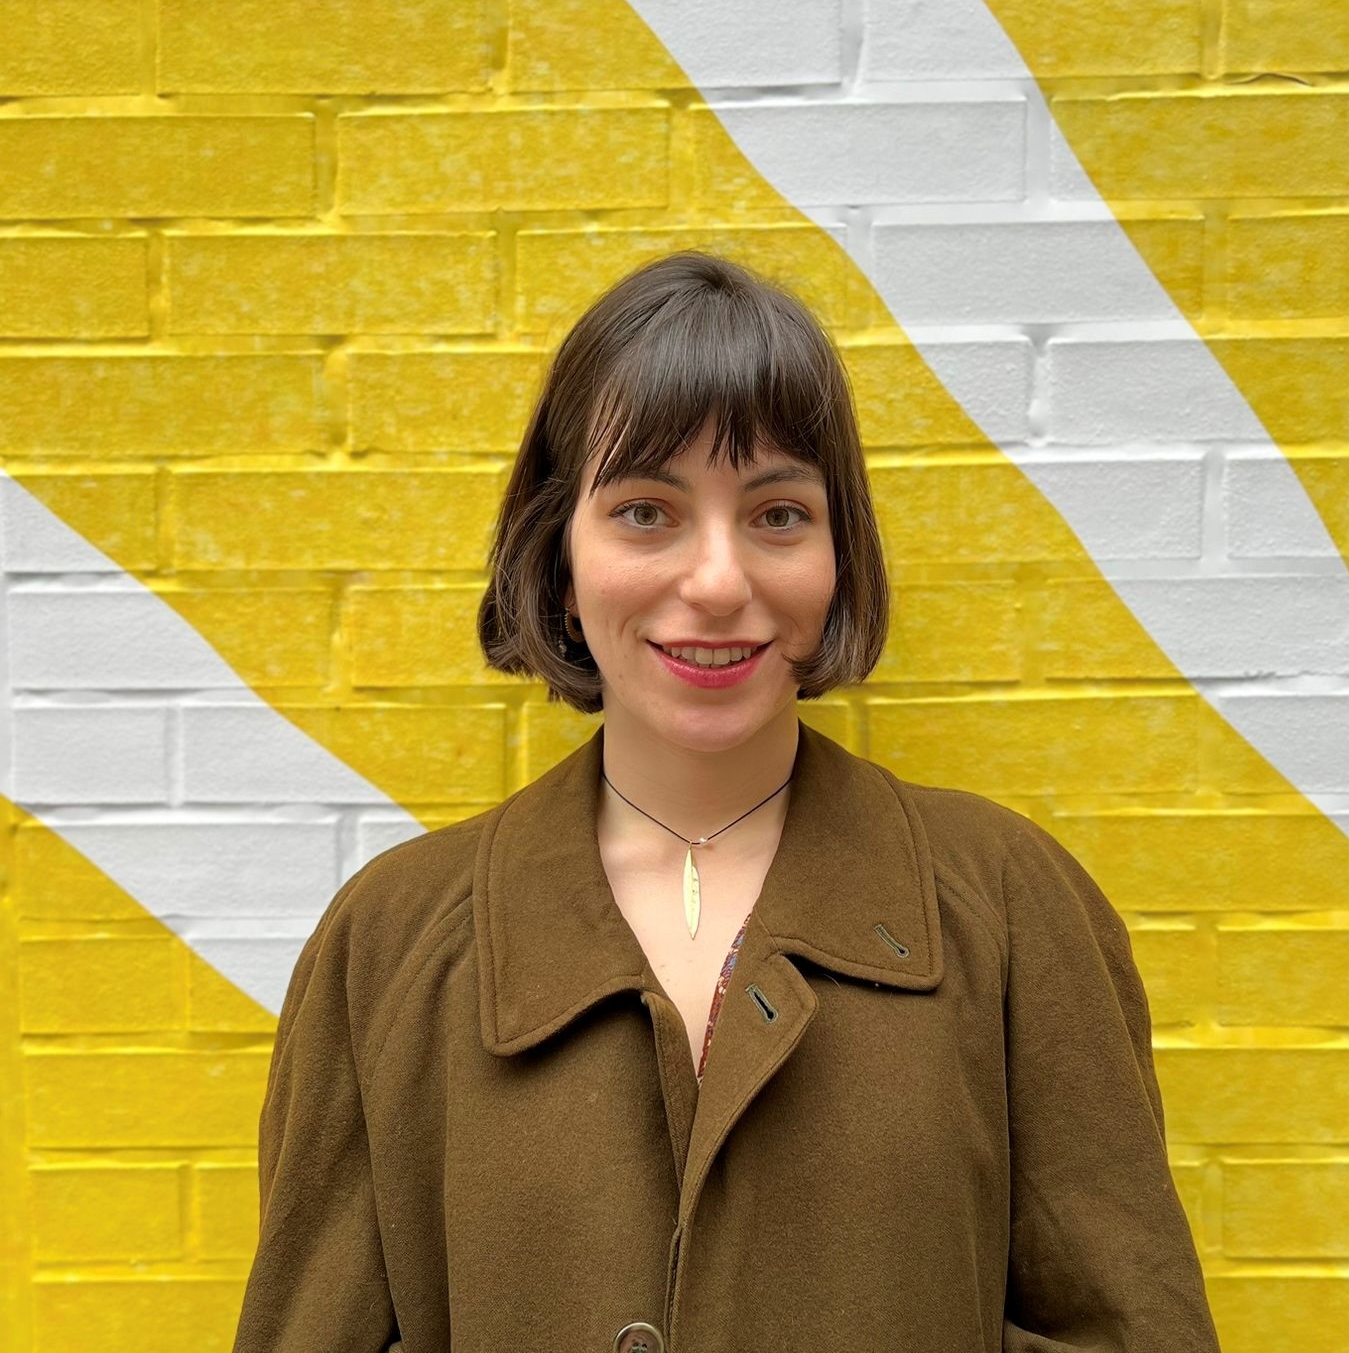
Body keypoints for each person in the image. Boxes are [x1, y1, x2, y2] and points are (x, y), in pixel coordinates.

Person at [231, 251, 1223, 1353]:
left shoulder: (1009, 905)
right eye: (646, 511)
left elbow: (1130, 1326)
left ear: (839, 554)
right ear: (559, 556)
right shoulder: (391, 941)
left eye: (778, 513)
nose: (715, 579)